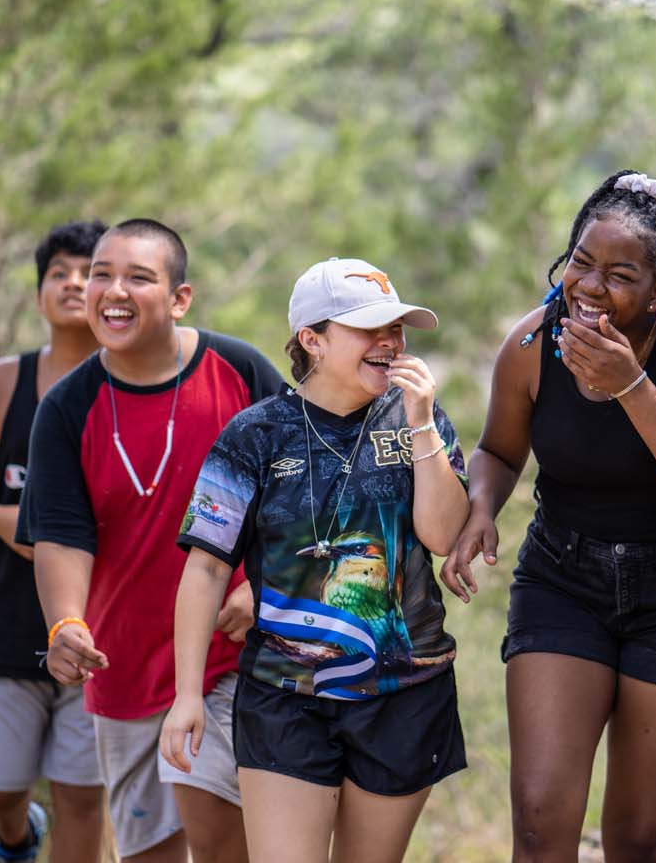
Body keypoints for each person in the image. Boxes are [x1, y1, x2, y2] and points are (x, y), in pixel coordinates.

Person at [441, 170, 656, 861]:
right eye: (581, 261)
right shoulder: (532, 344)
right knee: (540, 822)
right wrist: (482, 505)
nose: (588, 284)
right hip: (563, 580)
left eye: (618, 273)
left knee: (641, 841)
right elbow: (496, 448)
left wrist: (631, 388)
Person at [159, 257, 470, 863]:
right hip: (285, 694)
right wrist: (187, 695)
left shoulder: (418, 422)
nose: (391, 343)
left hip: (406, 690)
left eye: (398, 328)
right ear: (313, 339)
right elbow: (206, 568)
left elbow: (441, 535)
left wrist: (423, 427)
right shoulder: (254, 436)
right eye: (369, 329)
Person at [16, 218, 285, 863]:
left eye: (138, 277)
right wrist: (65, 624)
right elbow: (60, 532)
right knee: (147, 854)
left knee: (222, 839)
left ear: (179, 297)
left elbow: (299, 493)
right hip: (125, 668)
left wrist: (266, 585)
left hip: (230, 653)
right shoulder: (66, 407)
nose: (112, 290)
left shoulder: (240, 372)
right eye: (102, 274)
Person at [0, 219, 107, 863]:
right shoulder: (0, 384)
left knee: (83, 794)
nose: (71, 284)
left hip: (98, 630)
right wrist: (8, 521)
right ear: (39, 292)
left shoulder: (127, 388)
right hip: (11, 623)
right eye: (57, 273)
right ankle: (16, 834)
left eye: (87, 272)